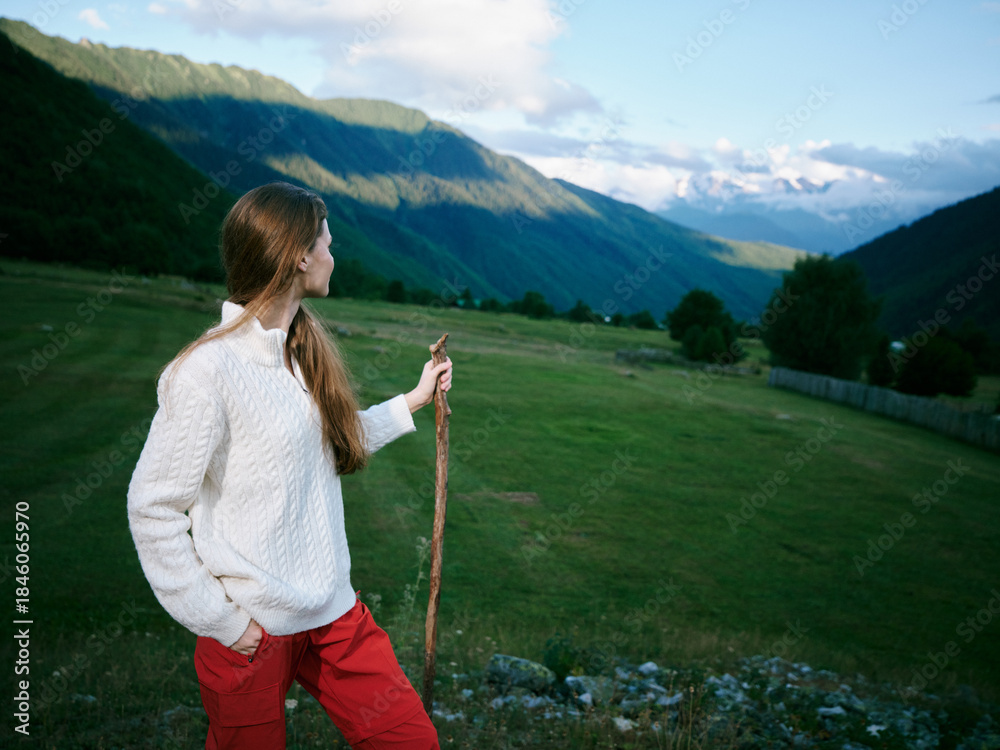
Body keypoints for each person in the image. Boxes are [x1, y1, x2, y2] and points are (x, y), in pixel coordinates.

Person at [127, 181, 451, 749]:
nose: (334, 254)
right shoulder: (206, 371)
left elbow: (331, 442)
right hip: (252, 631)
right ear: (299, 256)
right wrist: (223, 621)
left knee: (412, 742)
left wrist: (415, 400)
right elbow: (151, 509)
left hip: (334, 616)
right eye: (327, 242)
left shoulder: (298, 352)